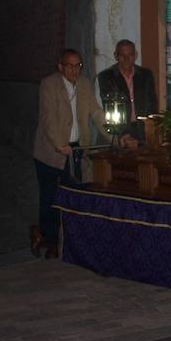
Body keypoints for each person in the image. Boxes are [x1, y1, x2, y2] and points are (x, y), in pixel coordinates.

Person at [32, 49, 136, 259]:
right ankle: (48, 238)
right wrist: (59, 144)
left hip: (76, 149)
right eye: (69, 66)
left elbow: (97, 113)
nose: (74, 70)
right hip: (51, 152)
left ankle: (70, 240)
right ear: (60, 66)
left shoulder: (84, 84)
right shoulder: (49, 85)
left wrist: (116, 137)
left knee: (74, 195)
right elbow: (48, 119)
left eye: (78, 66)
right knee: (50, 198)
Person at [97, 40, 158, 142]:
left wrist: (152, 128)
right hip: (120, 130)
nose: (126, 59)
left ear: (136, 55)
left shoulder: (146, 75)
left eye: (130, 55)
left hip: (144, 129)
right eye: (122, 55)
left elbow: (152, 103)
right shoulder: (107, 77)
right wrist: (123, 135)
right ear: (116, 56)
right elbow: (110, 106)